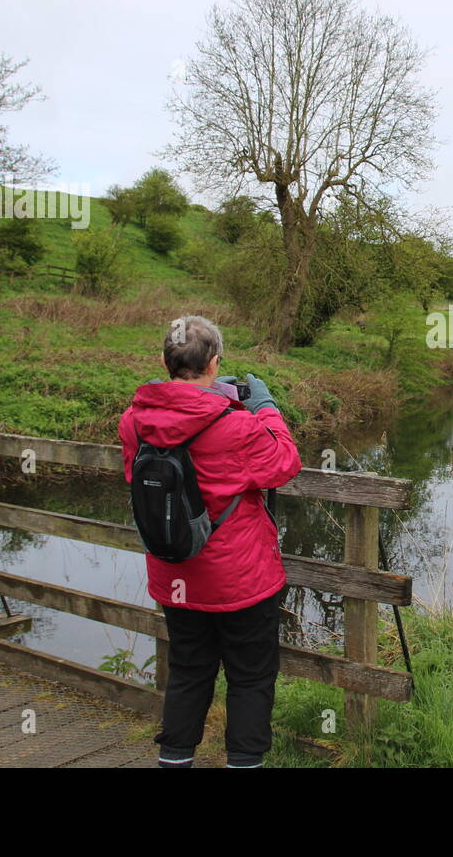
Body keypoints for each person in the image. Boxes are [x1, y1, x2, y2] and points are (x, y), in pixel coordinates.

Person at [118, 315, 301, 768]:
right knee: (251, 677)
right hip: (242, 580)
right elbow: (284, 463)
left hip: (176, 575)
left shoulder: (134, 421)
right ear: (215, 364)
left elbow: (135, 475)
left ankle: (174, 759)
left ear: (164, 361)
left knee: (188, 670)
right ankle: (244, 762)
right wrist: (265, 407)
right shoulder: (236, 425)